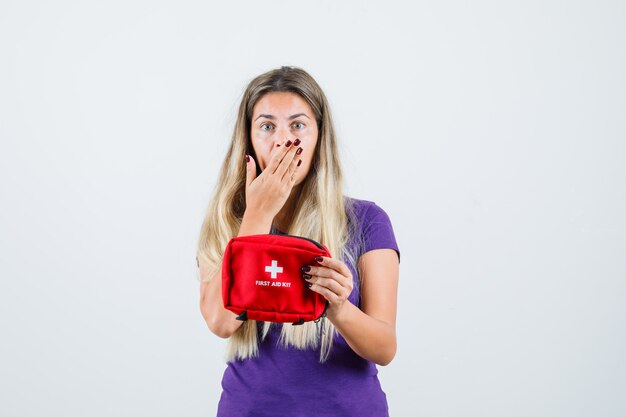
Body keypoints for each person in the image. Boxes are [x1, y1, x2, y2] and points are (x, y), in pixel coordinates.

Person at [196, 66, 401, 417]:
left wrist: (338, 308)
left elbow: (384, 347)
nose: (282, 140)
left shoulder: (367, 221)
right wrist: (257, 216)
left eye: (298, 125)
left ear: (319, 136)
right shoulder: (228, 221)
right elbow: (220, 321)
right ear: (248, 138)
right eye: (266, 126)